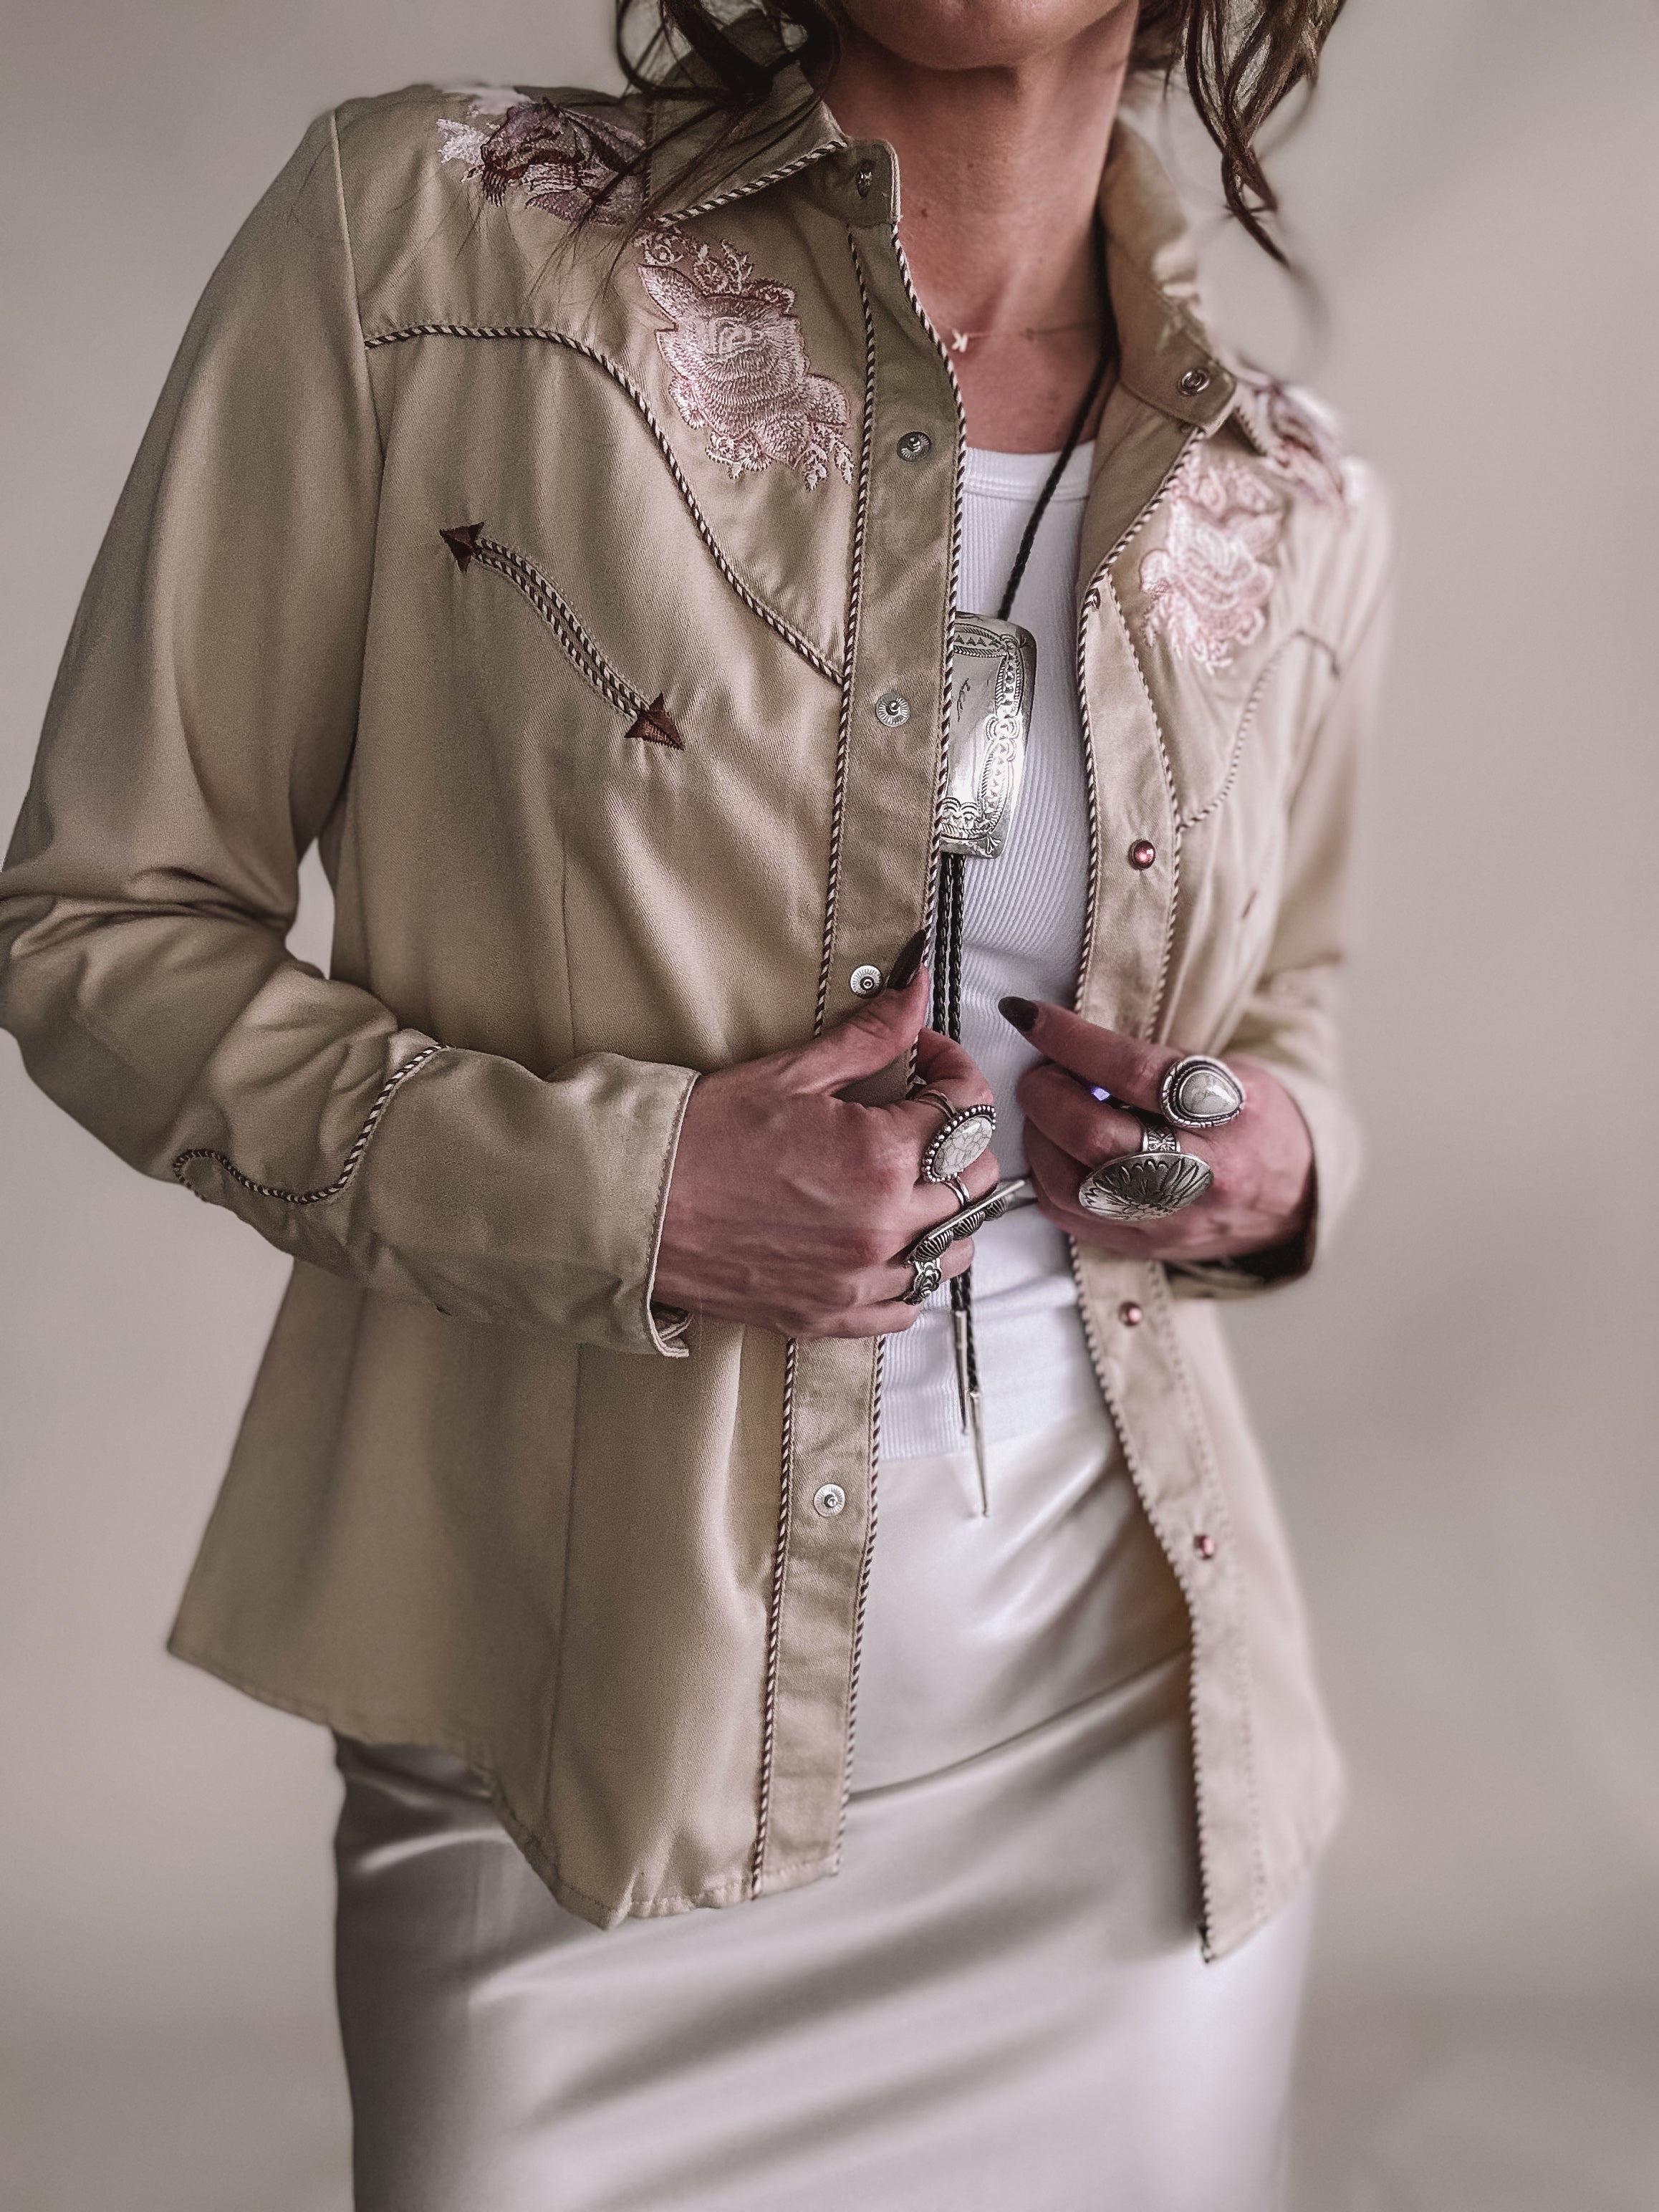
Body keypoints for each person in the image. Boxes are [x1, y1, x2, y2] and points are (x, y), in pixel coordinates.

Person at [0, 0, 1388, 2203]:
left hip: (1117, 1766)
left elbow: (1286, 1012)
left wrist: (1261, 1166)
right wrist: (623, 1193)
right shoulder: (436, 239)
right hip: (576, 1752)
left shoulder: (1286, 491)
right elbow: (100, 928)